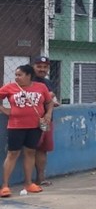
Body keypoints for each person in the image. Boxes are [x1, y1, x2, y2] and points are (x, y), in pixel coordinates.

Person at [1, 64, 53, 197]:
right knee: (13, 153)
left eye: (20, 75)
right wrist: (3, 109)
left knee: (30, 152)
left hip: (34, 127)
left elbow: (49, 102)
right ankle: (5, 185)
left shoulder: (41, 87)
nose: (17, 77)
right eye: (16, 75)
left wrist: (48, 114)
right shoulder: (10, 87)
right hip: (16, 126)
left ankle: (28, 183)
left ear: (29, 75)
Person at [31, 55, 60, 187]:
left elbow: (50, 99)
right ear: (33, 67)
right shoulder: (29, 81)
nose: (42, 69)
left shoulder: (47, 82)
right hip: (32, 121)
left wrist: (52, 101)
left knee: (43, 148)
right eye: (39, 66)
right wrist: (48, 97)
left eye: (45, 67)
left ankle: (40, 178)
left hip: (46, 120)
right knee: (31, 149)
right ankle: (28, 181)